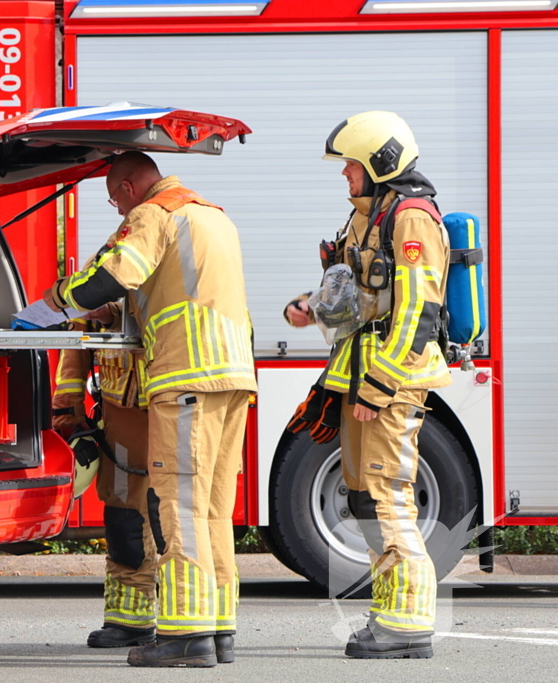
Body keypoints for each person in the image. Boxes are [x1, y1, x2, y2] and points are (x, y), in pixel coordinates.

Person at [43, 152, 256, 667]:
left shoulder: (154, 214)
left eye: (115, 199)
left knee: (175, 505)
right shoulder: (213, 217)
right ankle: (218, 627)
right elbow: (166, 292)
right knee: (212, 509)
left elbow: (116, 275)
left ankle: (185, 636)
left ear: (130, 186)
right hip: (231, 378)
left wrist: (58, 298)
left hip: (185, 378)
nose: (118, 211)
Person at [285, 111, 451, 659]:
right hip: (359, 376)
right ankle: (391, 611)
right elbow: (353, 294)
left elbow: (418, 312)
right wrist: (309, 306)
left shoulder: (411, 218)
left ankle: (408, 624)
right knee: (364, 498)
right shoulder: (367, 216)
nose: (344, 174)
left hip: (390, 382)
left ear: (380, 164)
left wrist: (379, 385)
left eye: (351, 164)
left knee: (387, 495)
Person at [52, 257, 156, 648]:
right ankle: (130, 619)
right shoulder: (108, 260)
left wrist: (111, 313)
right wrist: (67, 409)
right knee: (124, 516)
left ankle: (188, 623)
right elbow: (76, 348)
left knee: (178, 518)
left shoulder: (177, 256)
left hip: (174, 405)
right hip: (122, 412)